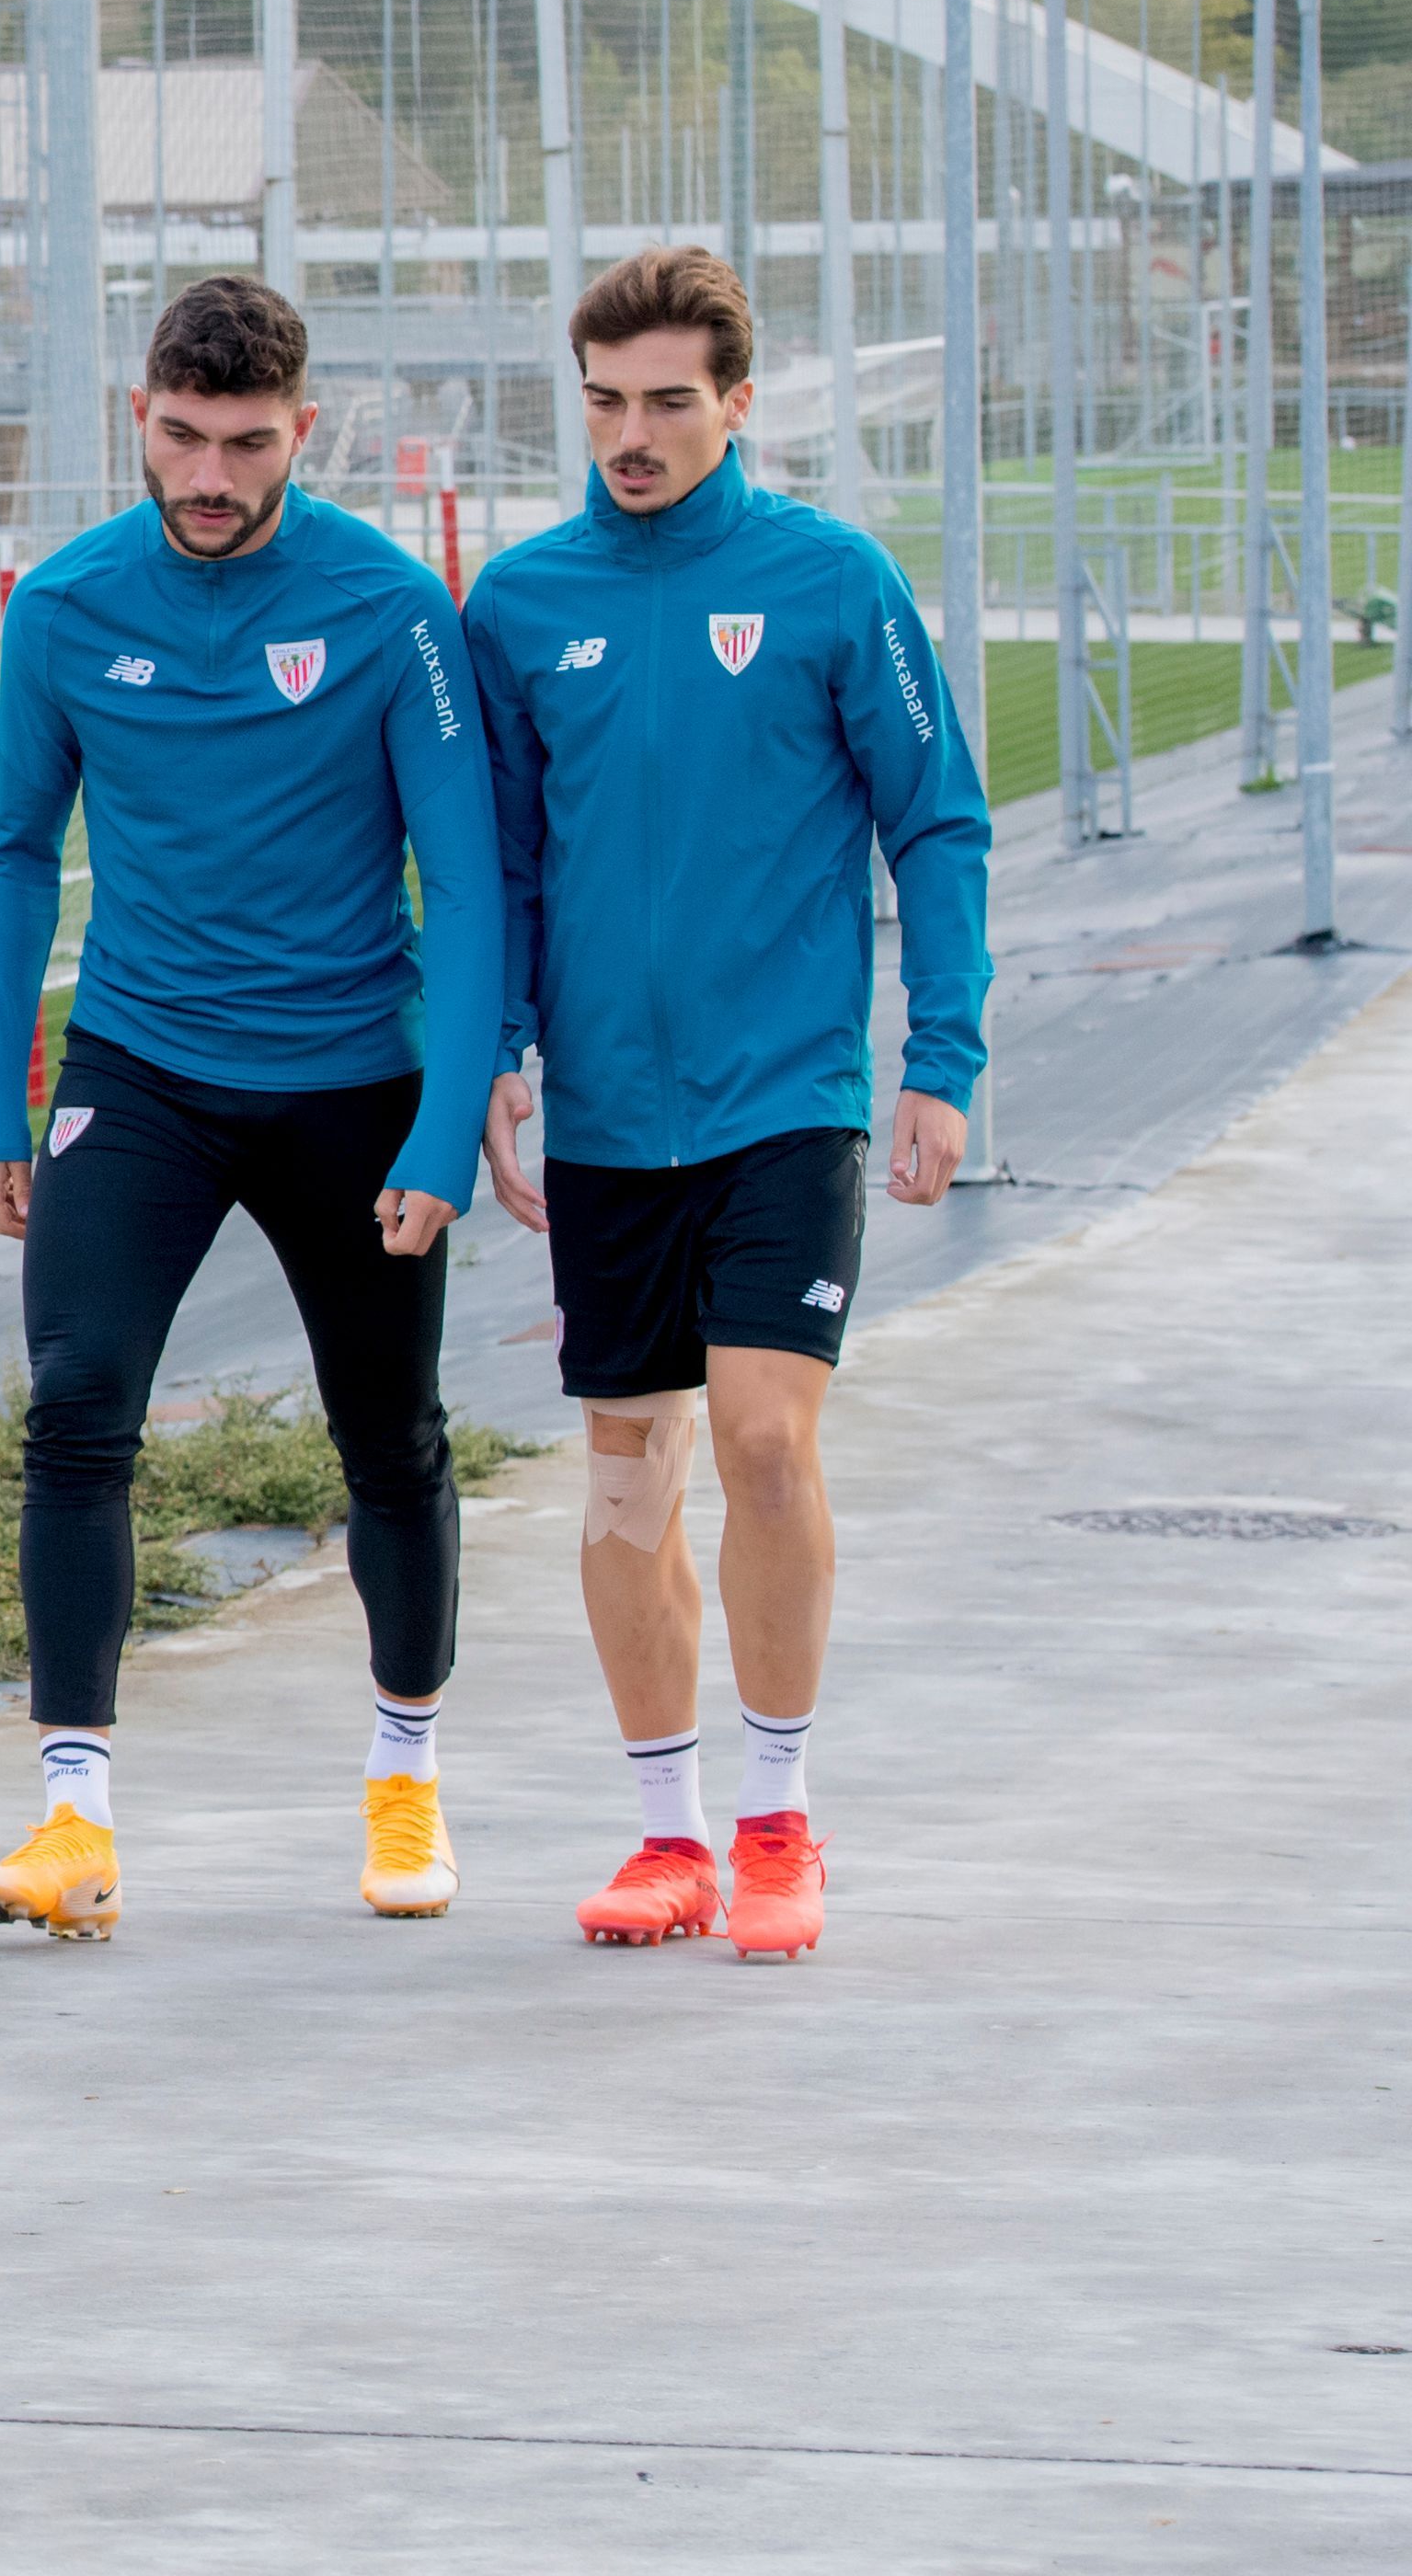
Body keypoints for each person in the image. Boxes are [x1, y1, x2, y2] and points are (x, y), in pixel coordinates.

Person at [0, 275, 500, 1942]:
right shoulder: (62, 607)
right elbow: (16, 856)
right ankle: (71, 1820)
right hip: (142, 1072)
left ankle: (405, 1779)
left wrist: (444, 1132)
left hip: (356, 1079)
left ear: (302, 434)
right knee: (76, 1407)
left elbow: (468, 891)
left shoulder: (397, 608)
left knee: (389, 1438)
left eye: (246, 444)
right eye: (182, 438)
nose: (209, 475)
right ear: (141, 417)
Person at [471, 246, 985, 1966]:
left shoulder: (834, 583)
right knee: (626, 1481)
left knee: (763, 1440)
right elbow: (505, 874)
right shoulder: (523, 606)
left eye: (668, 402)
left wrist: (945, 1057)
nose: (631, 433)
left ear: (740, 403)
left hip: (789, 1098)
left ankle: (779, 1825)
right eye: (605, 402)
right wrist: (493, 1059)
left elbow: (941, 824)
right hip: (611, 1118)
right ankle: (669, 1838)